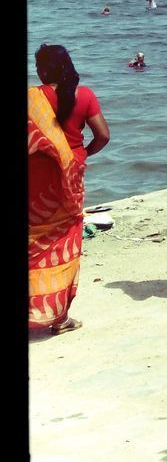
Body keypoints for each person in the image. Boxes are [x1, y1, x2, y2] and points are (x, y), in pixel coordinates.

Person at [29, 45, 110, 333]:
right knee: (65, 244)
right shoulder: (84, 95)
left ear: (43, 69)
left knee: (32, 240)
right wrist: (81, 154)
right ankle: (59, 318)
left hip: (36, 180)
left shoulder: (32, 99)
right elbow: (103, 135)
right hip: (71, 177)